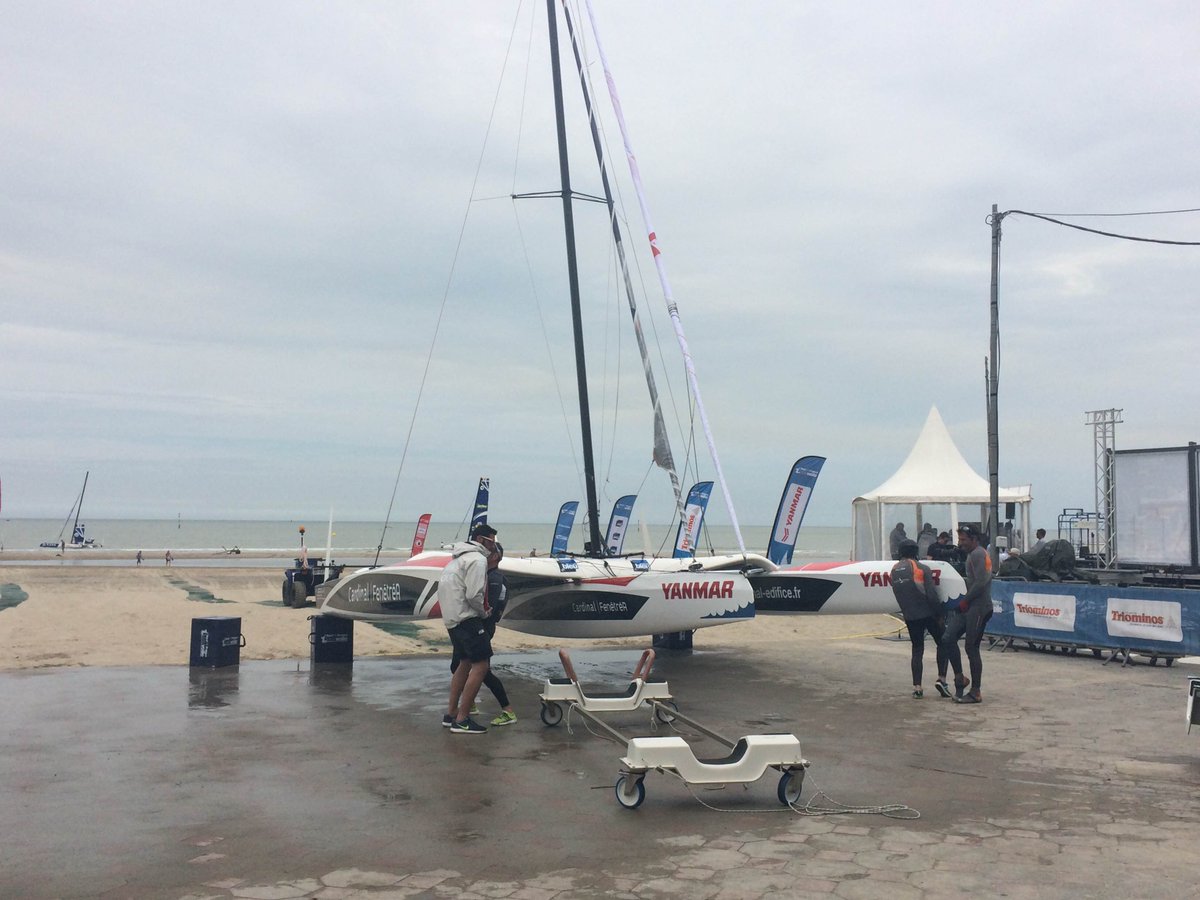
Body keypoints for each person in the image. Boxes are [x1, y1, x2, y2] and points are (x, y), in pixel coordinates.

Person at [440, 523, 498, 734]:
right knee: (481, 665)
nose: (493, 547)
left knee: (464, 663)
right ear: (481, 540)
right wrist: (485, 613)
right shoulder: (477, 559)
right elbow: (475, 595)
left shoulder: (456, 560)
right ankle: (463, 719)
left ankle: (452, 713)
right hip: (468, 618)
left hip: (453, 620)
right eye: (492, 542)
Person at [891, 540, 963, 699]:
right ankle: (942, 680)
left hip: (910, 615)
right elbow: (931, 594)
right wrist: (939, 614)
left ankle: (917, 687)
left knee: (917, 650)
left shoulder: (894, 570)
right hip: (928, 613)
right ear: (916, 552)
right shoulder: (922, 568)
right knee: (943, 643)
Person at [942, 524, 993, 704]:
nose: (960, 543)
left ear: (974, 539)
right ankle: (960, 677)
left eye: (964, 540)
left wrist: (965, 600)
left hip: (979, 606)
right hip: (970, 605)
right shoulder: (972, 555)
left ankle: (976, 691)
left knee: (971, 647)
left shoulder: (979, 554)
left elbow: (981, 582)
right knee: (948, 638)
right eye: (960, 539)